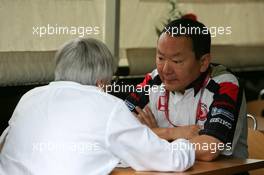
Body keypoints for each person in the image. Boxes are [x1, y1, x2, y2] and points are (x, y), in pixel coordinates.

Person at [0, 38, 195, 175]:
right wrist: (184, 141)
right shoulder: (108, 106)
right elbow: (170, 160)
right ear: (102, 82)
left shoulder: (29, 97)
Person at [125, 18, 248, 162]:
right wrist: (171, 133)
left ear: (203, 62)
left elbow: (209, 149)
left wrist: (150, 136)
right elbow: (116, 129)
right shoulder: (155, 79)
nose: (165, 70)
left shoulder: (225, 84)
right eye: (160, 58)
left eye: (176, 61)